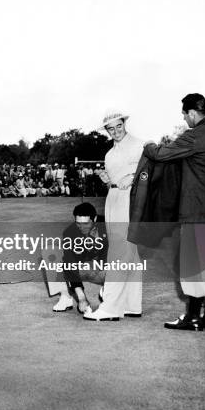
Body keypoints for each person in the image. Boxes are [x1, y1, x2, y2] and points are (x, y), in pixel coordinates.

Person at [143, 93, 205, 331]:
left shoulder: (194, 136)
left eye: (184, 114)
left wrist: (148, 145)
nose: (184, 119)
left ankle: (192, 318)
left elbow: (161, 154)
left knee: (195, 269)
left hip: (198, 216)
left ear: (192, 113)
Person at [84, 110, 144, 321]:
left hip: (130, 200)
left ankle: (110, 307)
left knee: (120, 251)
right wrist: (106, 178)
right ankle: (131, 304)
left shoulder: (139, 145)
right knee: (130, 253)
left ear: (124, 124)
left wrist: (134, 177)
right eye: (111, 128)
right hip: (114, 198)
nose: (116, 131)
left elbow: (149, 172)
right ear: (107, 131)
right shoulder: (109, 154)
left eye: (119, 126)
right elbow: (114, 178)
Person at [52, 203, 108, 314]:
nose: (82, 227)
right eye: (78, 223)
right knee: (51, 254)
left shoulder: (108, 225)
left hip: (105, 268)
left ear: (95, 218)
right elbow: (69, 263)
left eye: (86, 223)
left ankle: (111, 293)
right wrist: (81, 298)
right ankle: (66, 296)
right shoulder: (69, 232)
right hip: (83, 267)